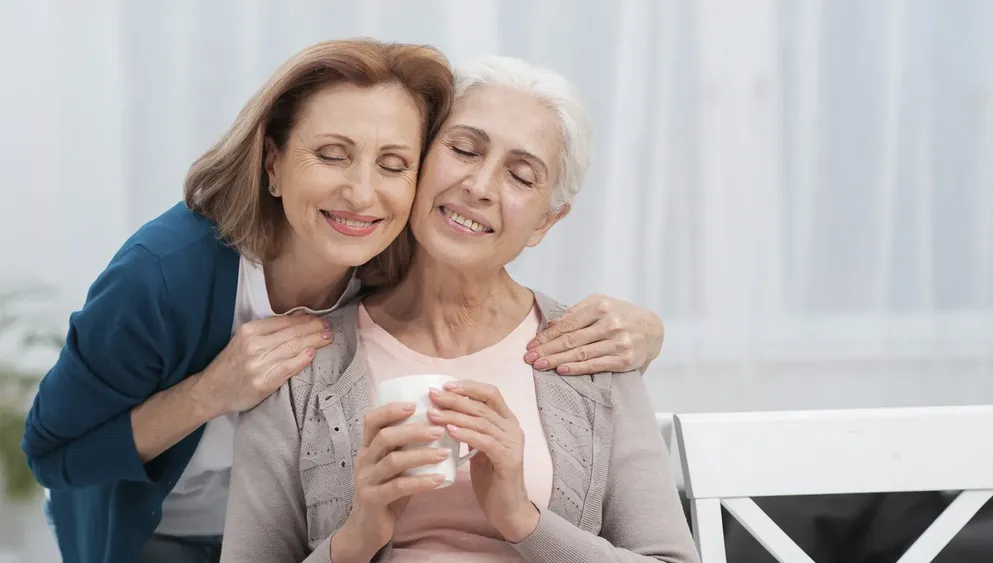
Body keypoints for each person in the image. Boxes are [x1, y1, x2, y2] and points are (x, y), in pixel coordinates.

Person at [21, 40, 671, 563]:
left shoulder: (393, 257)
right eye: (463, 149)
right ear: (273, 163)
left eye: (392, 163)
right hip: (155, 530)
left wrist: (523, 517)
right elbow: (53, 451)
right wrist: (213, 393)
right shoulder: (177, 278)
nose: (363, 194)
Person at [220, 56, 699, 563]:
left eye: (521, 176)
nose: (479, 186)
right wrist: (356, 538)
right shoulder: (299, 361)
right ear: (417, 160)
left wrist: (523, 520)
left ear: (546, 221)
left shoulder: (592, 350)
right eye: (464, 149)